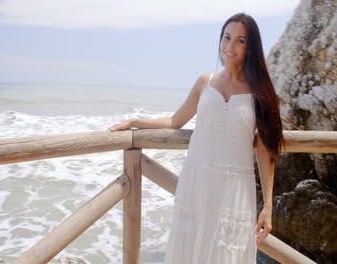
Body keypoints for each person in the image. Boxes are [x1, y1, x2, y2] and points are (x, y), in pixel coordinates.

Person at [108, 12, 284, 264]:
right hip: (197, 180)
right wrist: (136, 122)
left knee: (227, 254)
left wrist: (268, 206)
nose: (229, 46)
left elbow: (267, 150)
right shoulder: (205, 82)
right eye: (226, 37)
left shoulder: (260, 91)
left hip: (235, 187)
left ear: (251, 47)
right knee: (189, 251)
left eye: (240, 41)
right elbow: (175, 121)